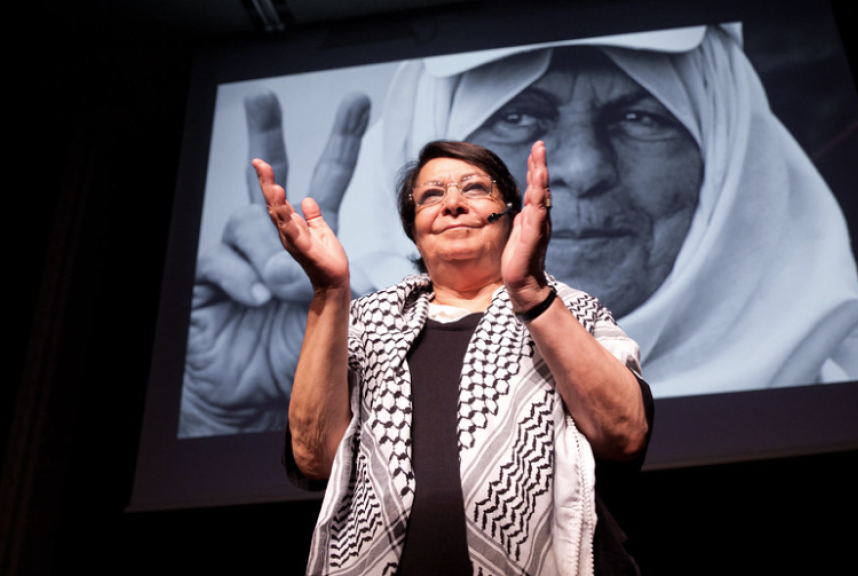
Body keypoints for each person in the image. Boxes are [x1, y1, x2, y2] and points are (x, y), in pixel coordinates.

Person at [180, 23, 858, 437]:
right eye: (516, 119)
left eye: (641, 119)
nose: (576, 170)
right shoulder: (353, 367)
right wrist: (222, 409)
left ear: (732, 167)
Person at [260, 139, 652, 575]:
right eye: (430, 195)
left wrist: (531, 295)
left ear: (512, 216)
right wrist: (329, 291)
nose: (451, 205)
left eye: (474, 189)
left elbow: (625, 434)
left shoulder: (571, 311)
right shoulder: (363, 325)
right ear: (414, 229)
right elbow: (314, 458)